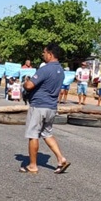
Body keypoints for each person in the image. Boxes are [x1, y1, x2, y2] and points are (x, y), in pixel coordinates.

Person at [19, 43, 70, 175]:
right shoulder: (60, 71)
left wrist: (25, 82)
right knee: (47, 133)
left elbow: (29, 85)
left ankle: (32, 165)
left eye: (44, 52)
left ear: (50, 54)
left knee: (33, 134)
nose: (43, 55)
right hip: (52, 106)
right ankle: (61, 158)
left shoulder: (45, 69)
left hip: (39, 106)